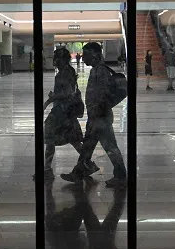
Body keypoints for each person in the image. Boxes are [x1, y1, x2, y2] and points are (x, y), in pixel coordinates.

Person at [62, 42, 127, 188]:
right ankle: (78, 173)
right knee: (87, 148)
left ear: (96, 55)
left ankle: (121, 176)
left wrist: (96, 115)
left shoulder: (100, 71)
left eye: (86, 55)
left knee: (110, 148)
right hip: (96, 117)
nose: (84, 58)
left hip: (100, 118)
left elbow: (102, 95)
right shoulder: (96, 70)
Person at [35, 47, 92, 181]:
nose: (54, 61)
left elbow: (68, 93)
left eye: (56, 58)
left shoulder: (64, 73)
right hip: (66, 112)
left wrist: (52, 98)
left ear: (63, 59)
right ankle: (88, 164)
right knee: (74, 140)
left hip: (61, 112)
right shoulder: (67, 71)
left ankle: (47, 170)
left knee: (50, 137)